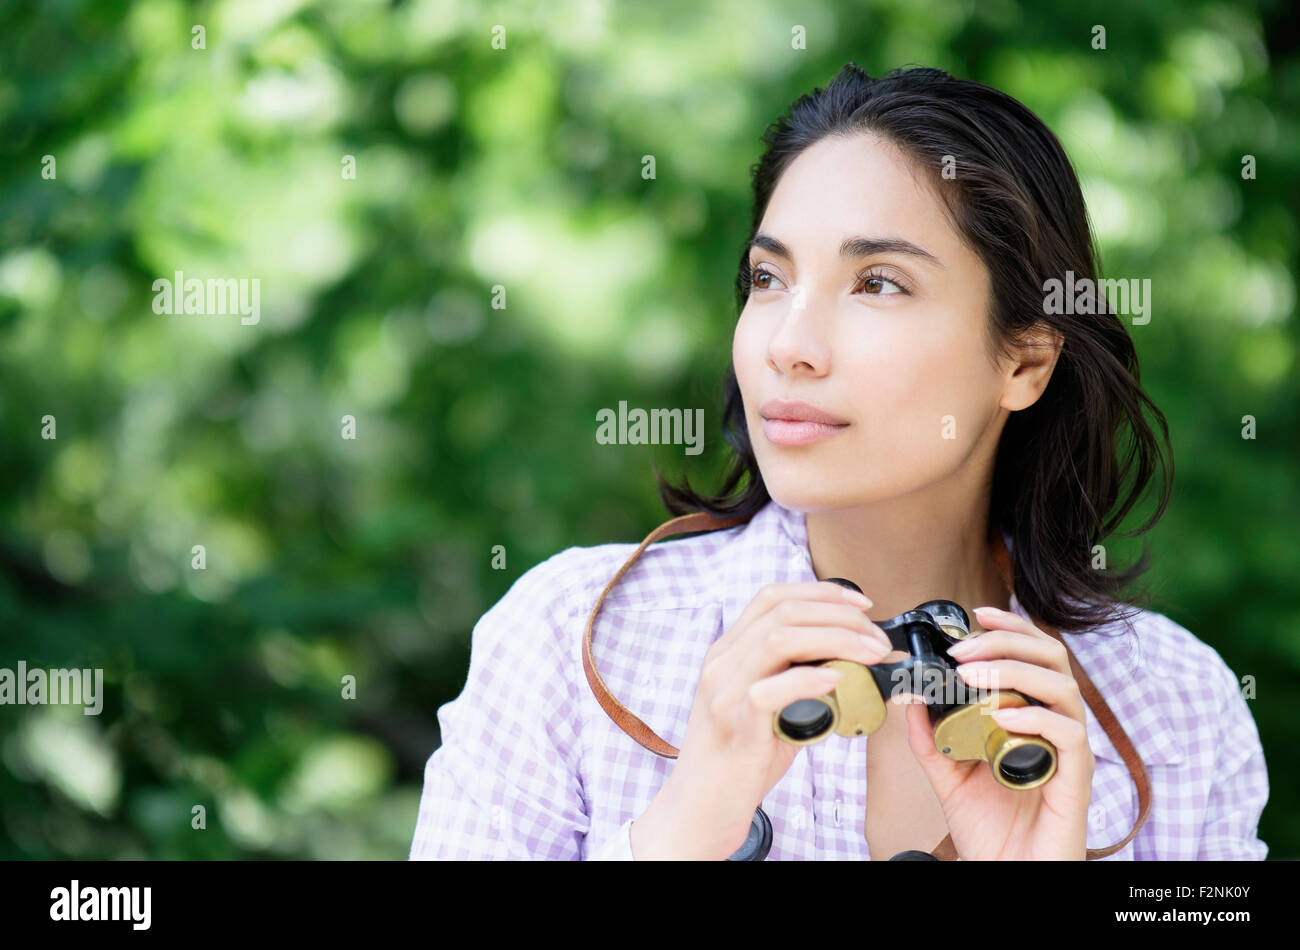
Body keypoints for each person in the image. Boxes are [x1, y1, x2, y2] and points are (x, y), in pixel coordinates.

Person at [409, 64, 1268, 861]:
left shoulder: (1172, 708)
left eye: (878, 283)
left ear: (1025, 362)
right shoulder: (572, 639)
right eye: (768, 279)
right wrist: (686, 825)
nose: (789, 345)